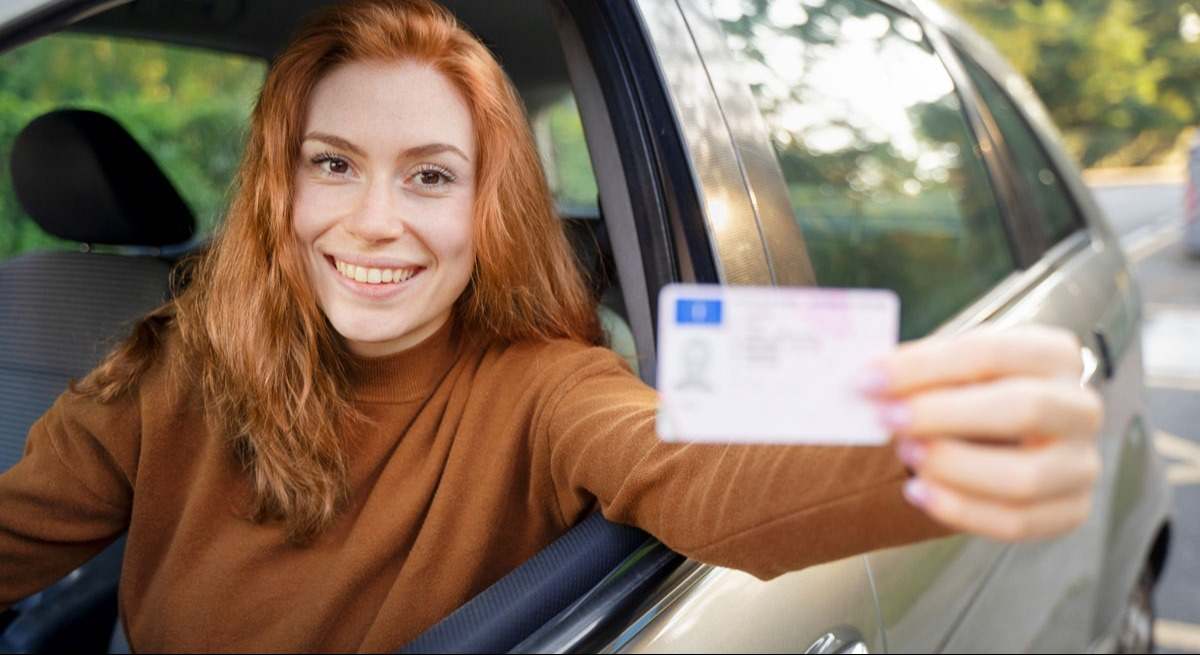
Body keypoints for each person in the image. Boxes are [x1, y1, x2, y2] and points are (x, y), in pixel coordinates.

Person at [0, 0, 1103, 651]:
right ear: (274, 189)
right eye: (333, 164)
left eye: (431, 176)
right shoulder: (163, 369)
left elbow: (701, 470)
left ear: (489, 212)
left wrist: (926, 445)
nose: (374, 222)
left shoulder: (546, 386)